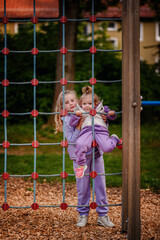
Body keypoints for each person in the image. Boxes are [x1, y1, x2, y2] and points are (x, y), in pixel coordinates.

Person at [55, 89, 115, 228]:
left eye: (72, 100)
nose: (70, 103)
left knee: (100, 185)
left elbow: (100, 130)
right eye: (67, 102)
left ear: (78, 102)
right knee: (82, 187)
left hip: (96, 154)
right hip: (79, 158)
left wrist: (105, 121)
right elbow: (71, 140)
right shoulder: (67, 119)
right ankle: (83, 214)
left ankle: (103, 215)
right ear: (62, 107)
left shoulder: (88, 110)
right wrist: (78, 127)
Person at [69, 86, 122, 178]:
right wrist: (76, 116)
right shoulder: (79, 111)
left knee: (107, 147)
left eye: (90, 103)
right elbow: (72, 123)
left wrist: (111, 113)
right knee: (80, 143)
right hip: (86, 131)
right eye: (84, 103)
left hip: (101, 130)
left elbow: (113, 116)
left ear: (96, 103)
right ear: (81, 104)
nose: (87, 106)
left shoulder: (102, 108)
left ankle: (114, 138)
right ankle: (81, 165)